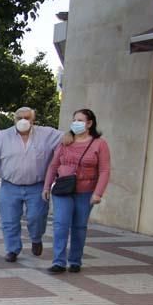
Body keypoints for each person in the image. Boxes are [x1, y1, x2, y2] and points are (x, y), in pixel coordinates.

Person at [0, 107, 64, 262]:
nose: (23, 121)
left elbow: (66, 139)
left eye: (27, 117)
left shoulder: (47, 134)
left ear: (33, 119)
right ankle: (12, 249)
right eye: (19, 118)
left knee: (37, 217)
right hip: (10, 185)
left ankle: (36, 238)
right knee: (9, 219)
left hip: (37, 185)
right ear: (14, 119)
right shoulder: (3, 136)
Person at [43, 108, 111, 273]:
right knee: (60, 224)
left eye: (80, 120)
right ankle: (59, 261)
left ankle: (75, 261)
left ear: (89, 123)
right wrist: (46, 186)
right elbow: (53, 165)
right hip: (63, 189)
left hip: (85, 191)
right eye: (75, 120)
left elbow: (104, 170)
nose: (76, 123)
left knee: (79, 227)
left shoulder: (99, 144)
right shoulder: (65, 141)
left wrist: (98, 193)